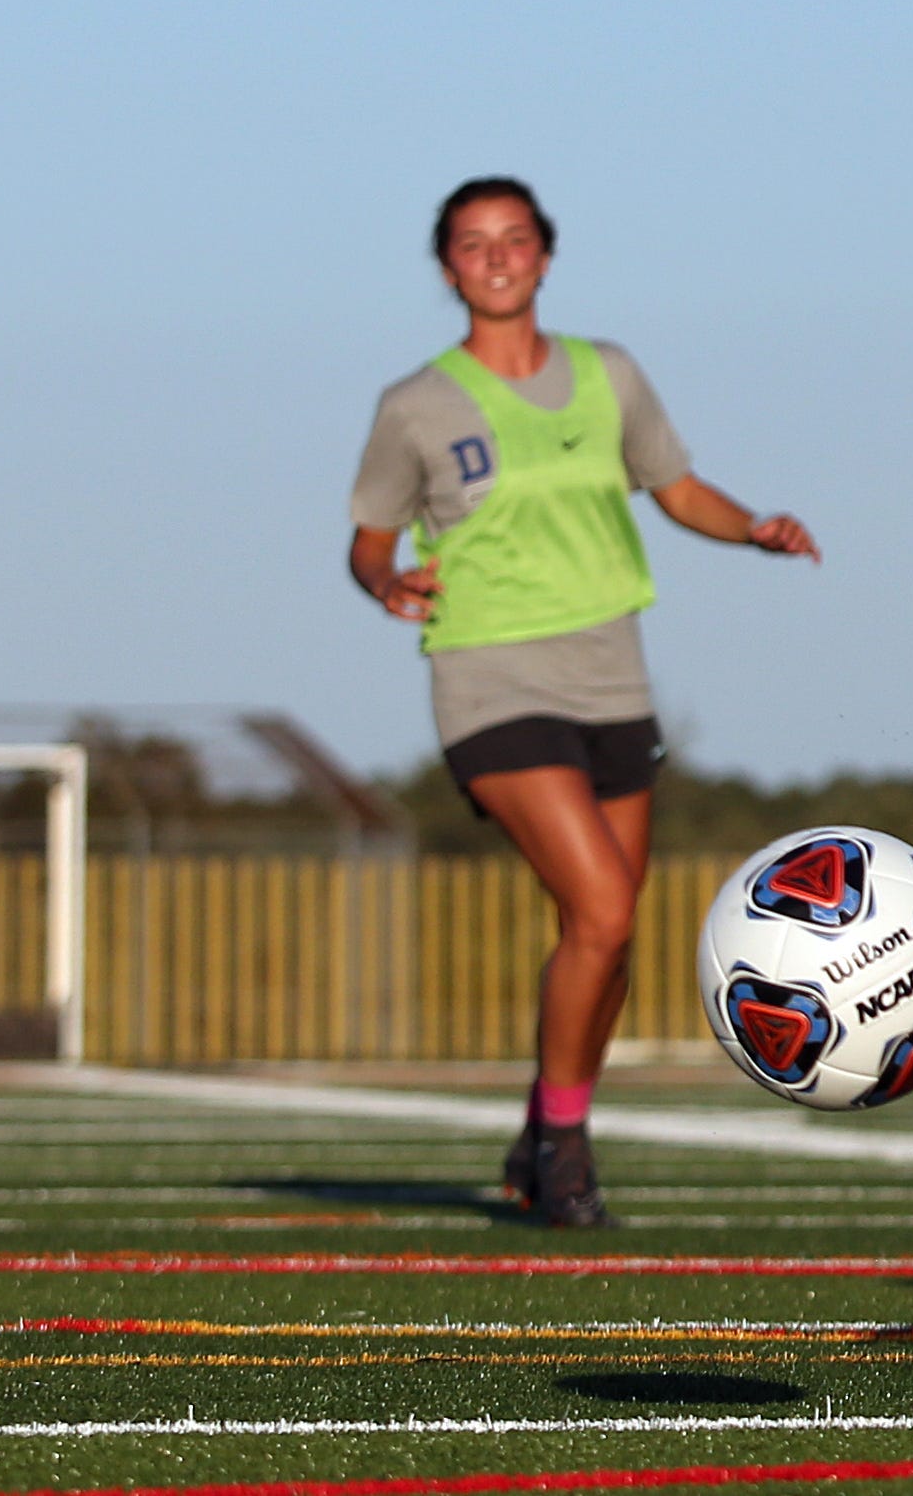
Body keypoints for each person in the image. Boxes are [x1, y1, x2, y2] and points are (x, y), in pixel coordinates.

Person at [348, 176, 818, 1226]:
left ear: (547, 255)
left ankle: (538, 1124)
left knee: (605, 928)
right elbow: (371, 535)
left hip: (611, 668)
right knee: (603, 910)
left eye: (516, 238)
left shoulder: (609, 374)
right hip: (489, 672)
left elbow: (677, 485)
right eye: (475, 243)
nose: (498, 256)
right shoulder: (413, 404)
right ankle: (564, 1148)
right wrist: (385, 581)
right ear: (448, 267)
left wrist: (755, 526)